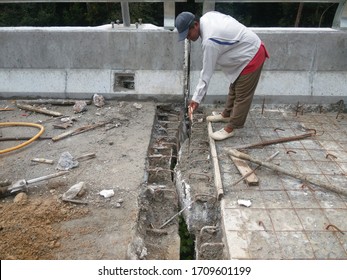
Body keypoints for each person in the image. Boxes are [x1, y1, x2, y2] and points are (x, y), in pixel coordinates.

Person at [175, 11, 269, 140]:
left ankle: (231, 128)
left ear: (195, 25)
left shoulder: (209, 40)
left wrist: (196, 98)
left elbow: (206, 73)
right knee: (234, 88)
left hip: (252, 55)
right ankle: (227, 114)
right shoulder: (207, 17)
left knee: (242, 96)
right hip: (242, 53)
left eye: (188, 34)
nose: (188, 38)